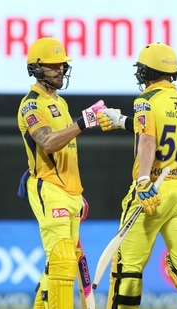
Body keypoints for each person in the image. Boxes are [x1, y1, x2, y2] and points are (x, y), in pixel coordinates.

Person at [98, 42, 177, 309]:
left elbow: (149, 140)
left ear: (147, 72)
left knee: (127, 268)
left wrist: (142, 181)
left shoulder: (145, 100)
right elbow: (158, 129)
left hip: (152, 189)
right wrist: (121, 121)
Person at [16, 36, 112, 309]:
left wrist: (76, 194)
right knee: (61, 261)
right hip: (48, 186)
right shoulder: (31, 105)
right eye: (52, 66)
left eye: (62, 65)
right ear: (36, 68)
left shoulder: (61, 102)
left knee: (60, 263)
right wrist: (85, 121)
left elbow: (68, 147)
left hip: (69, 192)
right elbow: (47, 142)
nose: (60, 70)